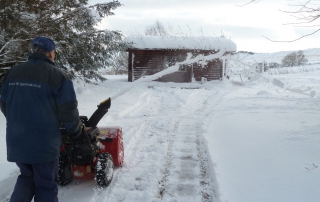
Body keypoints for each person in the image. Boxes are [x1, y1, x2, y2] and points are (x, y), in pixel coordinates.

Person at [0, 36, 82, 202]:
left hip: (17, 140)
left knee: (26, 177)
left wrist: (18, 122)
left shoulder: (13, 72)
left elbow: (4, 104)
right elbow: (68, 109)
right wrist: (76, 131)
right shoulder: (57, 75)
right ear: (51, 53)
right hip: (43, 143)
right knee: (45, 183)